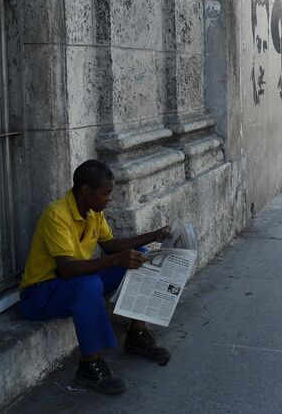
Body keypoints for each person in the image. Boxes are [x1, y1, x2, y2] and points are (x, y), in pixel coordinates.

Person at [17, 160, 174, 395]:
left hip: (73, 282)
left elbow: (111, 246)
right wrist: (115, 260)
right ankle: (90, 365)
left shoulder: (93, 212)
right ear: (85, 191)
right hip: (41, 293)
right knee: (89, 285)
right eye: (106, 193)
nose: (109, 198)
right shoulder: (56, 215)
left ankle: (137, 335)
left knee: (141, 258)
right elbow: (67, 269)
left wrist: (153, 236)